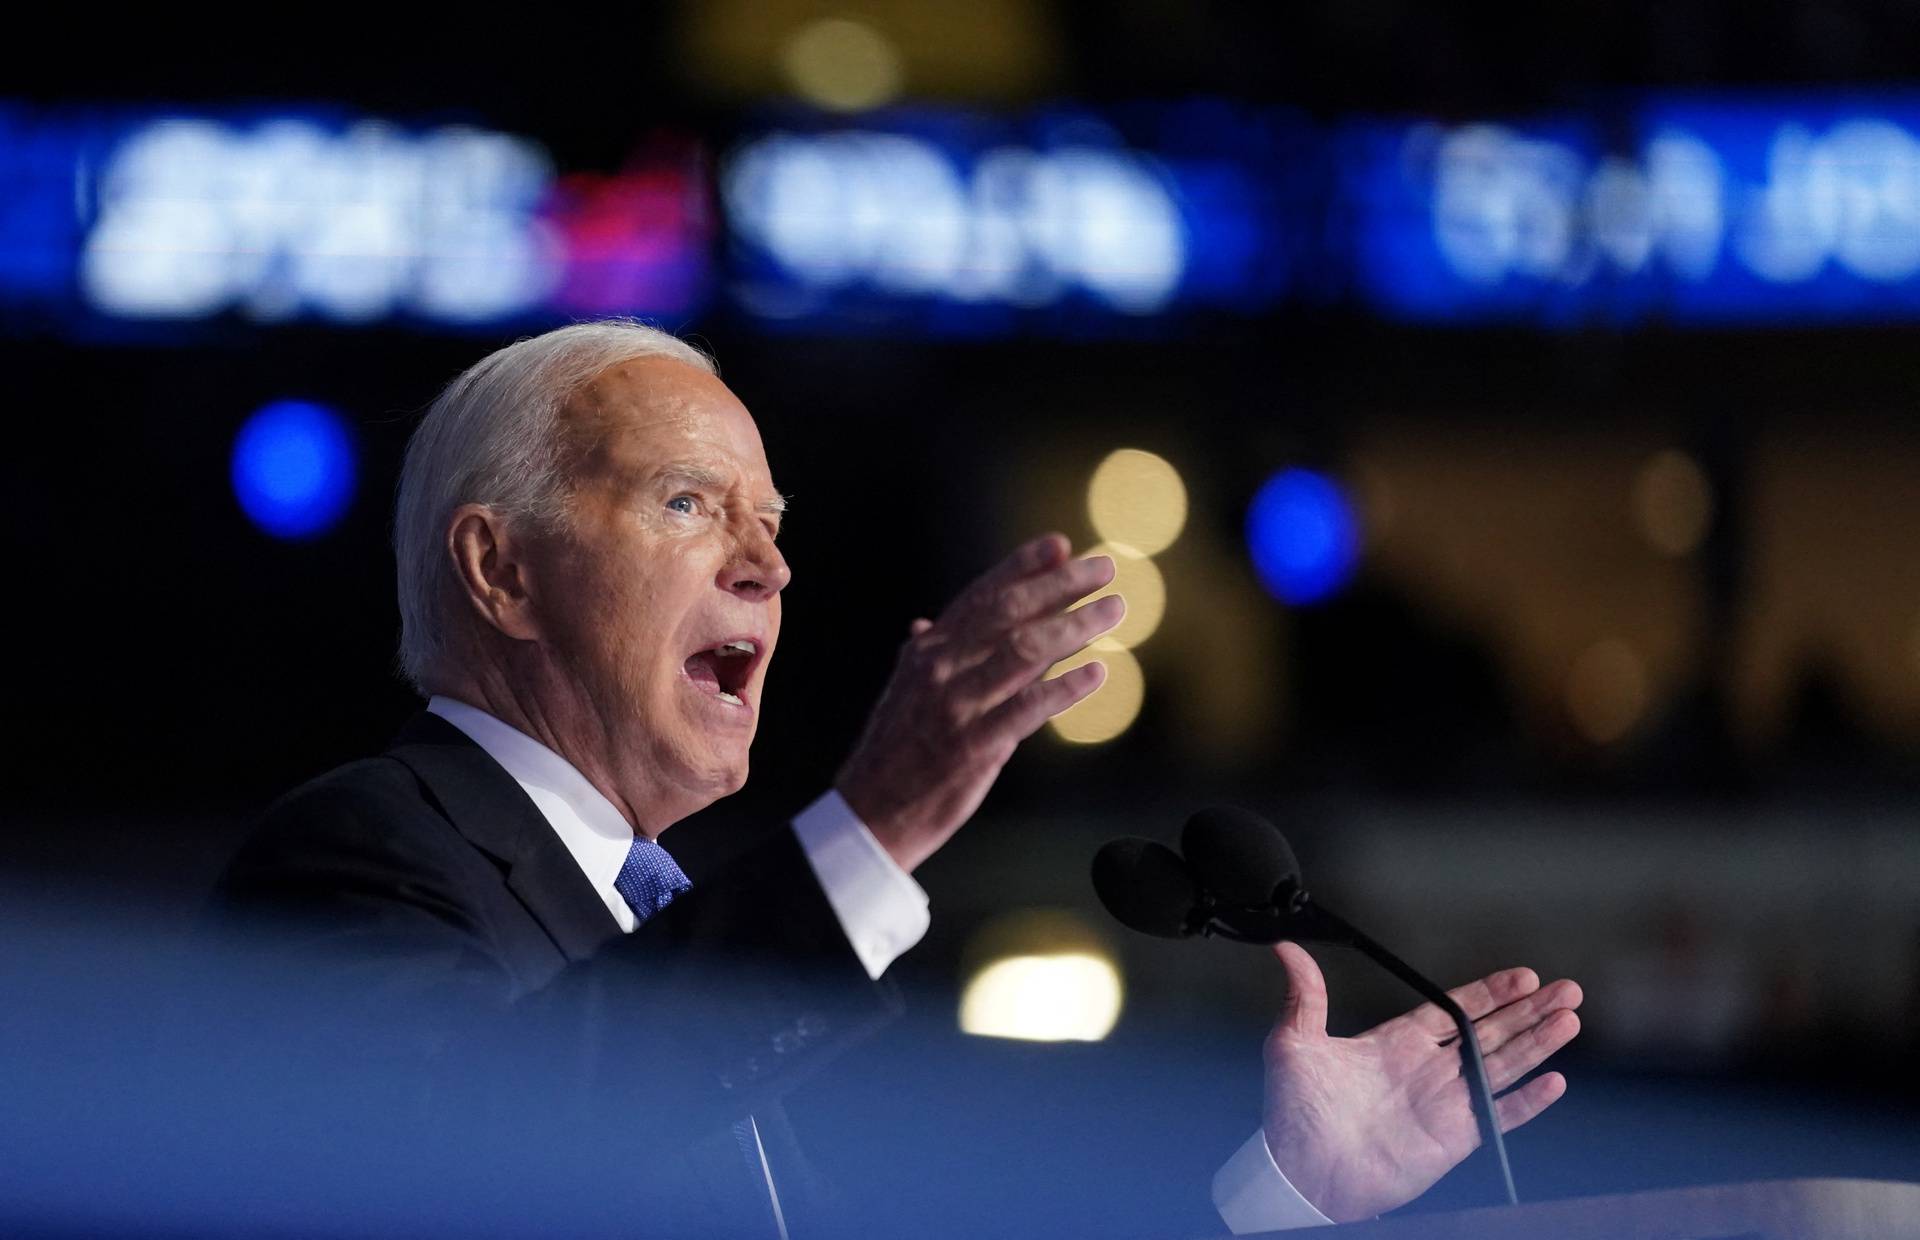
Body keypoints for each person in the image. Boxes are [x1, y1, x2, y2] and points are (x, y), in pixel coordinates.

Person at [215, 320, 1582, 1236]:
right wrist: (866, 830)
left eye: (771, 524)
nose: (769, 565)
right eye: (691, 504)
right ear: (499, 568)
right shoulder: (357, 854)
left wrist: (1277, 1188)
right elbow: (479, 1151)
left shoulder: (692, 947)